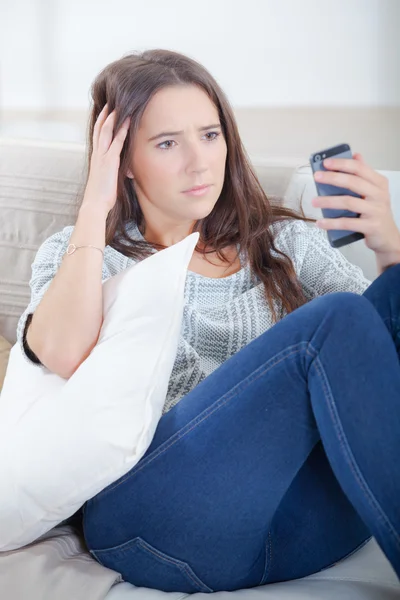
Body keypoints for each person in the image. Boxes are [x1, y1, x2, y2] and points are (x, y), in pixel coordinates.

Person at [17, 49, 400, 593]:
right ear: (122, 159)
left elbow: (378, 366)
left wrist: (390, 249)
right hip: (164, 525)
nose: (200, 162)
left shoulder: (282, 243)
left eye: (210, 134)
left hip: (304, 522)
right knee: (335, 319)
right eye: (168, 143)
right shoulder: (84, 256)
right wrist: (92, 211)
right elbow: (59, 351)